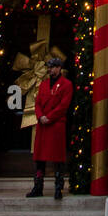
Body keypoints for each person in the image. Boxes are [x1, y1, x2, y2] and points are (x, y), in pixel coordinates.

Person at [26, 57, 73, 200]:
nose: (50, 70)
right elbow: (38, 102)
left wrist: (49, 117)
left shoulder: (66, 84)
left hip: (56, 125)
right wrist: (40, 116)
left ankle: (58, 187)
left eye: (53, 67)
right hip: (43, 125)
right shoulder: (44, 84)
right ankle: (38, 186)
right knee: (40, 158)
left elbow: (63, 106)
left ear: (59, 68)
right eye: (49, 67)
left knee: (57, 158)